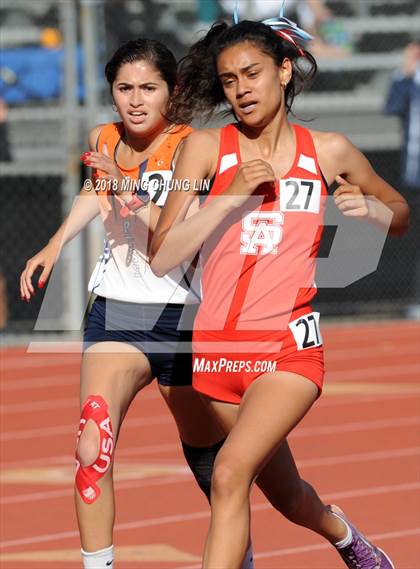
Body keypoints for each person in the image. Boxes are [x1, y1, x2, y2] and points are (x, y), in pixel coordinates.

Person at [150, 16, 409, 569]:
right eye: (228, 80)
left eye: (252, 74)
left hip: (287, 351)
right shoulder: (203, 150)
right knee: (287, 497)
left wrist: (374, 213)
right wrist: (227, 196)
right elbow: (162, 254)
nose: (241, 89)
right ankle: (347, 537)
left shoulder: (329, 151)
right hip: (216, 354)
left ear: (284, 70)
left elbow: (401, 213)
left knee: (227, 474)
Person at [19, 38, 227, 569]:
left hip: (180, 315)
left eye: (149, 88)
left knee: (213, 462)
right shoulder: (104, 138)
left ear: (171, 92)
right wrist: (55, 242)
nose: (136, 100)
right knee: (92, 447)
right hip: (116, 310)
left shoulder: (194, 147)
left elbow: (176, 236)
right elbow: (95, 192)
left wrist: (129, 189)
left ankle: (238, 551)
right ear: (112, 92)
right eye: (125, 88)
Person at [385, 41, 420, 317]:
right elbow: (391, 106)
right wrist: (404, 74)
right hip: (413, 177)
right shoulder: (409, 85)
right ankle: (414, 300)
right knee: (411, 242)